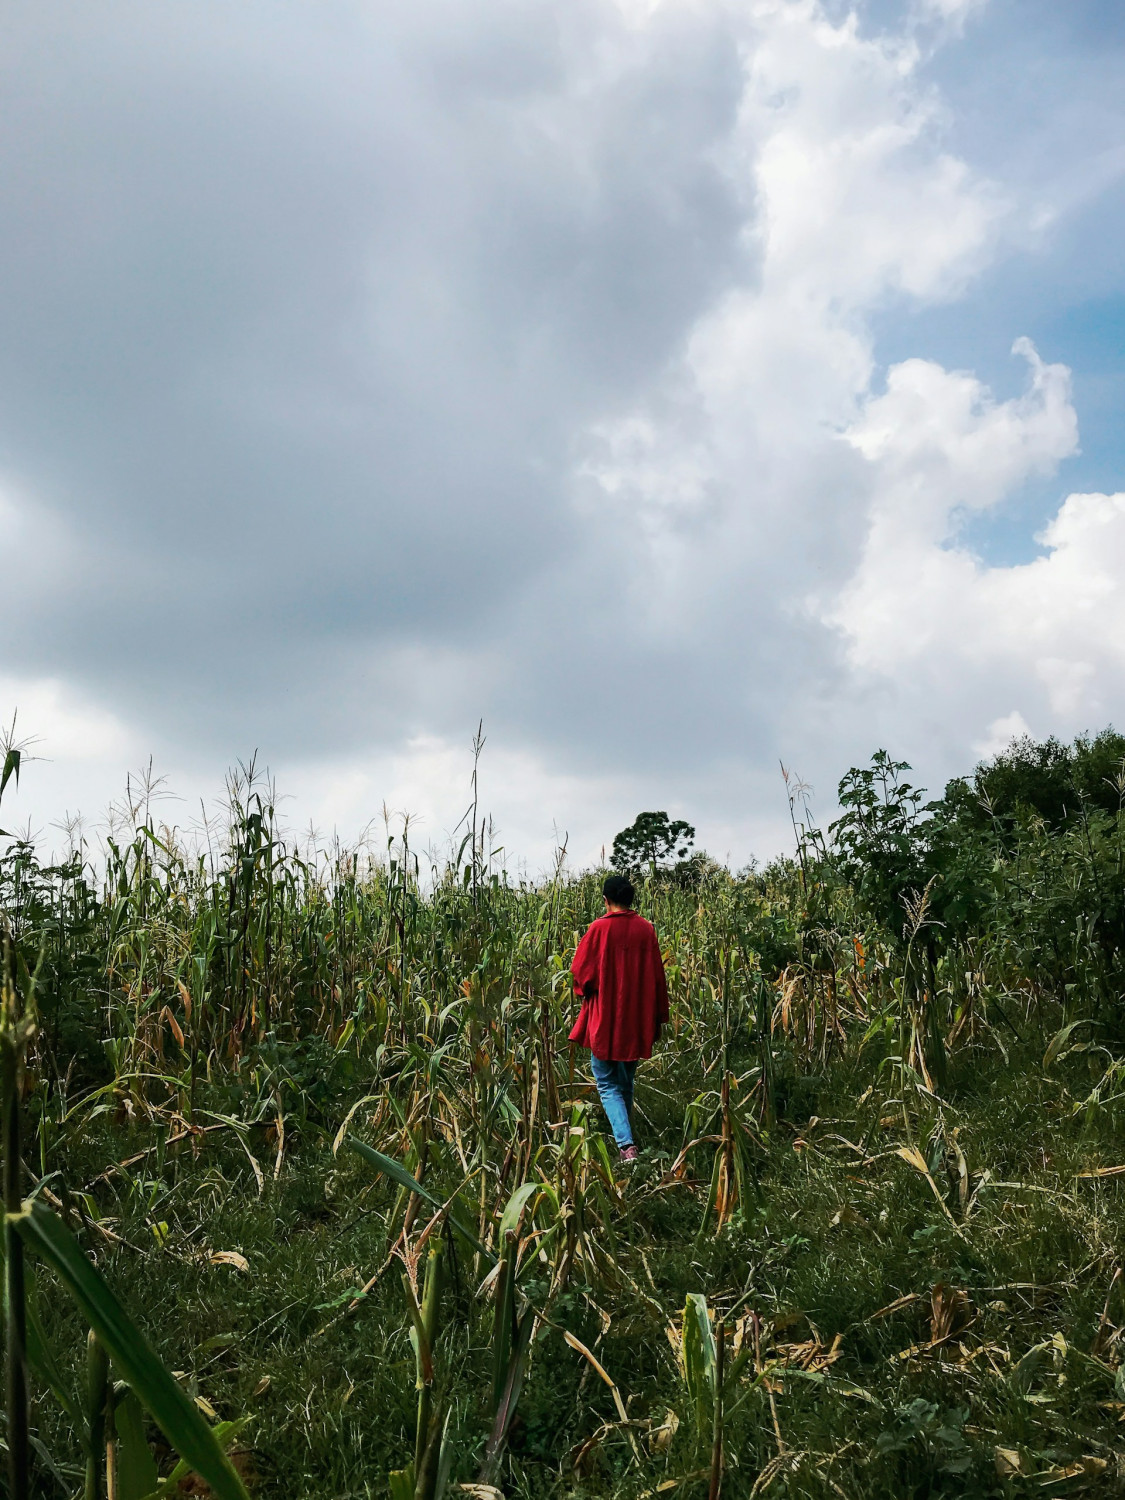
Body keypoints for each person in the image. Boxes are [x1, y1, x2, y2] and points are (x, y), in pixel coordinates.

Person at [569, 873, 669, 1163]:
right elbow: (657, 979)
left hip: (606, 1017)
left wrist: (585, 991)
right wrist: (657, 1018)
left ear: (606, 900)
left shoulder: (599, 929)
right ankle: (629, 1138)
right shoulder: (646, 930)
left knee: (606, 1082)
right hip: (635, 1020)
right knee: (625, 1081)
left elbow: (582, 976)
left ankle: (626, 1147)